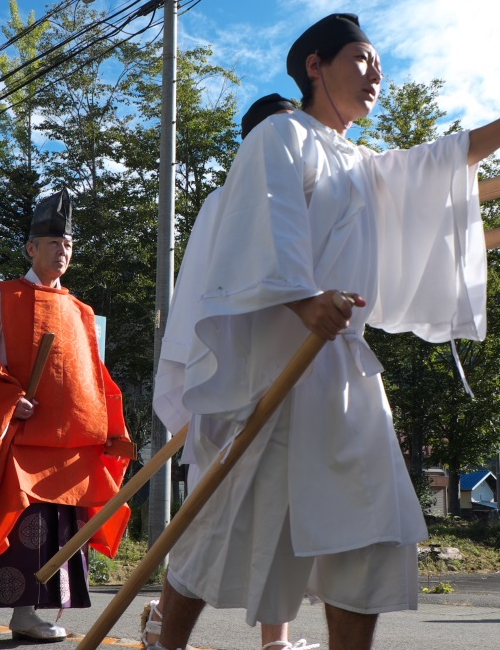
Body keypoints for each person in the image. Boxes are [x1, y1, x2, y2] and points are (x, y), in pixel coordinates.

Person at [149, 13, 500, 650]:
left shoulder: (363, 164)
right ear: (315, 65)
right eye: (363, 59)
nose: (376, 75)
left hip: (344, 372)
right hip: (275, 369)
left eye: (380, 66)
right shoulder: (280, 136)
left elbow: (437, 164)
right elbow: (263, 224)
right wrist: (303, 298)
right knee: (225, 525)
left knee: (373, 531)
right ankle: (165, 642)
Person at [141, 93, 319, 650]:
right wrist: (199, 379)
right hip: (233, 381)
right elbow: (199, 297)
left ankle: (276, 641)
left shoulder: (307, 202)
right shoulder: (227, 202)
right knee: (208, 517)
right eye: (289, 133)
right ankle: (162, 629)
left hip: (293, 375)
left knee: (285, 518)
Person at [0, 189, 135, 643]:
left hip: (69, 447)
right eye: (53, 244)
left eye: (68, 244)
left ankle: (27, 615)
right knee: (9, 524)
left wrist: (111, 428)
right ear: (31, 248)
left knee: (52, 534)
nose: (62, 251)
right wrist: (9, 399)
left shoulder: (81, 311)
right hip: (20, 440)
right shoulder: (1, 299)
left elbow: (95, 376)